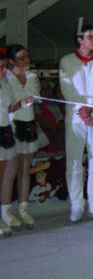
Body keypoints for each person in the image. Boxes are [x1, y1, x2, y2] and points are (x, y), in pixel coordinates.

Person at [59, 27, 93, 222]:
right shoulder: (66, 61)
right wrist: (82, 110)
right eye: (90, 36)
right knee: (74, 161)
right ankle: (76, 204)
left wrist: (92, 107)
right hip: (75, 117)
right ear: (80, 40)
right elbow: (67, 88)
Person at [2, 44, 43, 231]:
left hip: (29, 124)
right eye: (21, 58)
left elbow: (38, 99)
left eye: (27, 57)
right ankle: (6, 209)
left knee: (25, 169)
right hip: (13, 125)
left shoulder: (32, 77)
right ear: (12, 61)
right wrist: (21, 103)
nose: (26, 61)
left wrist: (32, 99)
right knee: (10, 171)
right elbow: (9, 106)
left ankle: (23, 207)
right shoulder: (7, 78)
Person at [0, 49, 17, 235]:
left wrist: (24, 102)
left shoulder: (5, 85)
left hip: (5, 130)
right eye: (1, 67)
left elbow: (10, 106)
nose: (4, 71)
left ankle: (5, 211)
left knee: (7, 173)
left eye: (5, 67)